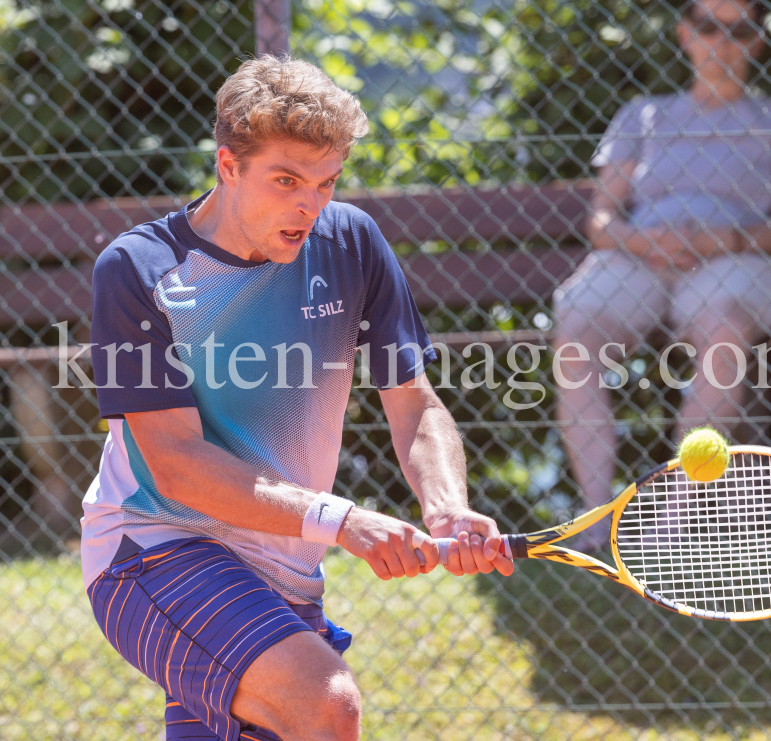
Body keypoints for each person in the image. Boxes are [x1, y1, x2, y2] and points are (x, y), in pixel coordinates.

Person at [80, 56, 513, 741]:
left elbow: (415, 404)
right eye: (286, 181)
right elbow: (177, 464)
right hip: (154, 548)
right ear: (228, 165)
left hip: (284, 570)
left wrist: (447, 505)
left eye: (326, 181)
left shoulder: (350, 241)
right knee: (326, 704)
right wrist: (342, 520)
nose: (309, 205)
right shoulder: (140, 269)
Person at [553, 0, 771, 547]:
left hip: (735, 257)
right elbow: (602, 219)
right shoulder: (643, 114)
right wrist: (644, 240)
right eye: (708, 26)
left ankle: (675, 517)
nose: (722, 41)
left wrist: (722, 240)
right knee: (576, 334)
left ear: (758, 40)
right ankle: (594, 515)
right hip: (640, 255)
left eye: (740, 30)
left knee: (725, 329)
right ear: (685, 33)